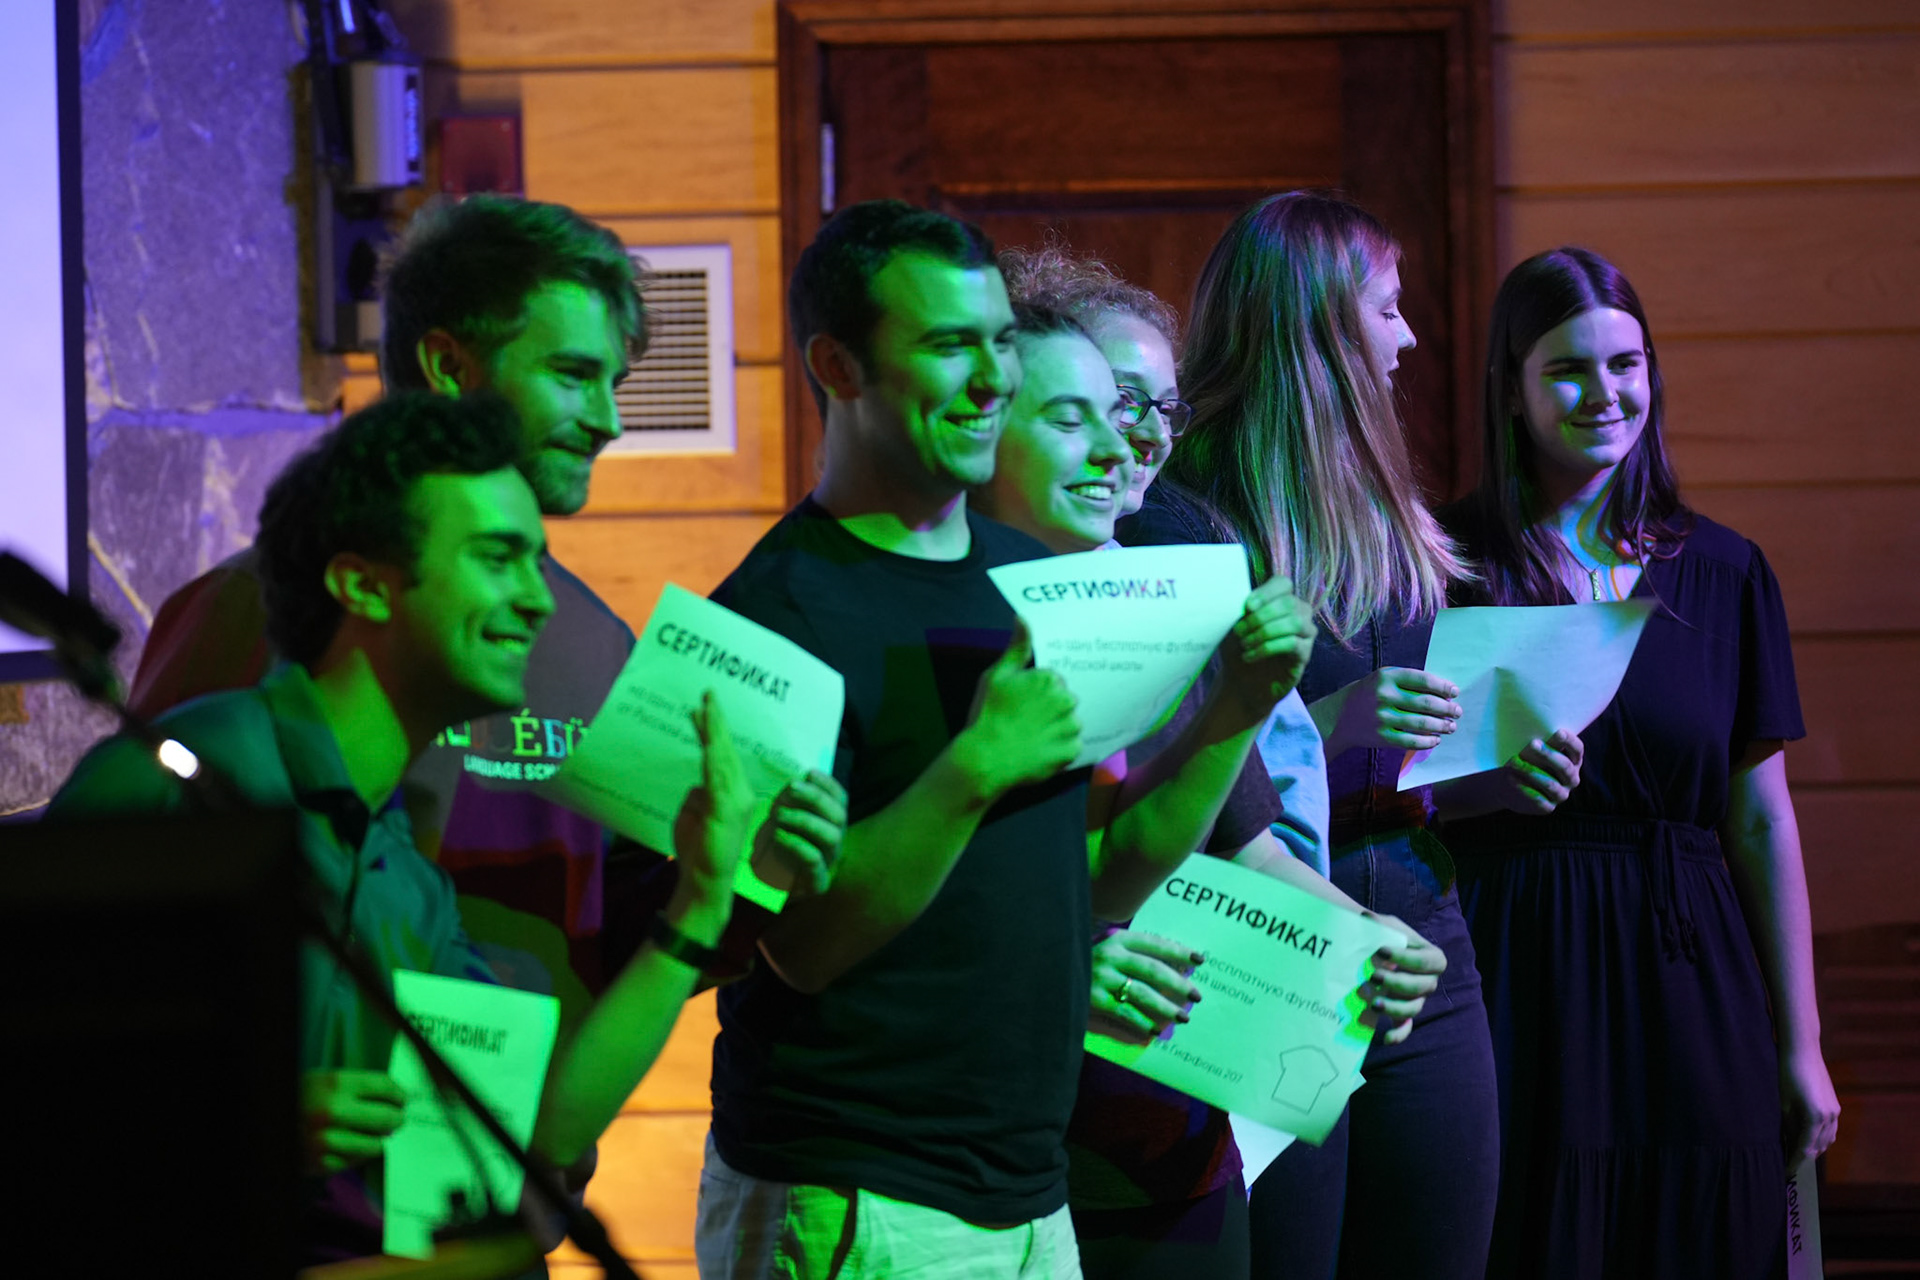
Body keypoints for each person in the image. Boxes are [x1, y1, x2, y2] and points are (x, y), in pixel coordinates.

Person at [693, 200, 1316, 1280]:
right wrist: (975, 763)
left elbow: (1103, 876)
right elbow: (799, 943)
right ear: (837, 367)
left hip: (1027, 1197)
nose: (989, 378)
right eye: (949, 345)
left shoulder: (1025, 586)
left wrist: (1232, 710)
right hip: (858, 1194)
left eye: (995, 343)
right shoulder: (776, 612)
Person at [45, 394, 768, 1266]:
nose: (538, 602)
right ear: (359, 583)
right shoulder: (176, 785)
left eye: (537, 564)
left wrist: (697, 903)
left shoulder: (405, 877)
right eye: (498, 560)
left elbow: (530, 1133)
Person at [121, 193, 842, 1023]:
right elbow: (136, 912)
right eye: (573, 375)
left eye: (617, 382)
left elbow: (610, 949)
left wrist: (750, 880)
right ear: (448, 366)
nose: (609, 421)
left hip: (521, 1142)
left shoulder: (598, 641)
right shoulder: (253, 606)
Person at [1136, 192, 1582, 1280]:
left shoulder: (1383, 506)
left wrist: (1489, 771)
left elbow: (1410, 774)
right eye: (1388, 309)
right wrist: (1330, 726)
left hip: (1420, 919)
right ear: (1322, 327)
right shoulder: (1183, 516)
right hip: (1263, 930)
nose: (1410, 338)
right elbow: (1173, 779)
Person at [973, 300, 1446, 1280]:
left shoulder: (1159, 601)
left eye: (1148, 410)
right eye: (1084, 413)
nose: (1127, 441)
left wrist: (1360, 933)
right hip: (992, 1148)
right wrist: (1062, 964)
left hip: (1171, 1134)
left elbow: (1245, 841)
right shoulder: (934, 615)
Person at [1440, 247, 1841, 1280]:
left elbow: (1760, 819)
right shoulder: (1446, 561)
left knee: (1704, 1225)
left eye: (1626, 364)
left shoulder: (1725, 568)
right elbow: (1388, 777)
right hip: (1519, 948)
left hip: (1690, 957)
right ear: (1513, 386)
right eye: (1569, 368)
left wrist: (1802, 1043)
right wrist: (1478, 784)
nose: (1604, 393)